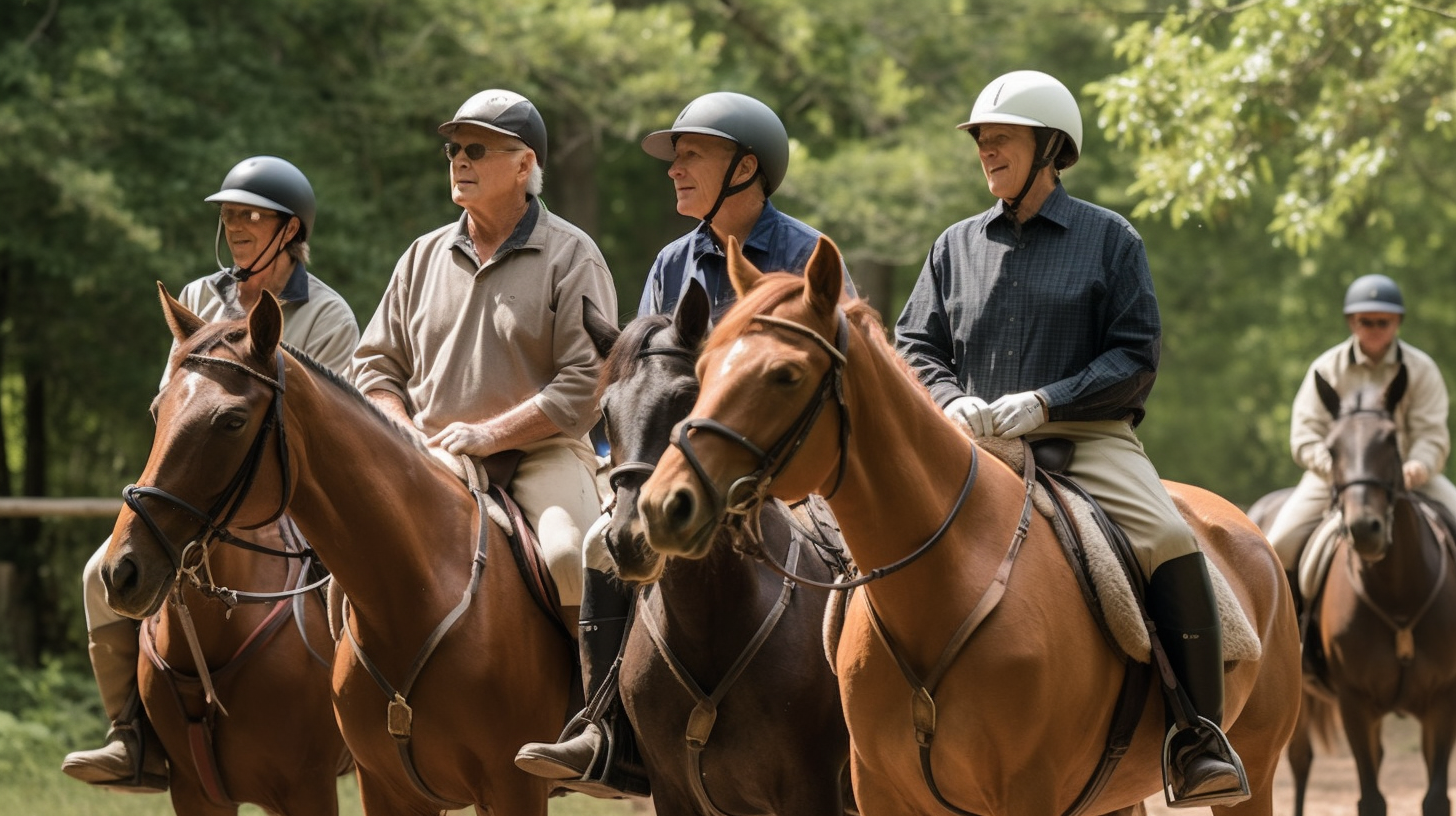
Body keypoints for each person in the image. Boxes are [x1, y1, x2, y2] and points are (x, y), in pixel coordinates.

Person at [893, 70, 1248, 808]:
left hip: (1085, 443)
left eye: (1001, 138)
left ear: (1049, 146)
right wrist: (951, 401)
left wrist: (1045, 402)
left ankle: (1198, 735)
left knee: (1166, 538)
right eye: (980, 139)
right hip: (968, 447)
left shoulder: (1110, 239)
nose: (985, 149)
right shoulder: (953, 246)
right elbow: (915, 345)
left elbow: (1134, 355)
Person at [514, 90, 854, 795]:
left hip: (792, 473)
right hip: (687, 476)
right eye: (676, 158)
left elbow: (838, 381)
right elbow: (643, 378)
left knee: (850, 551)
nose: (674, 169)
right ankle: (605, 728)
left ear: (746, 167)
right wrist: (628, 475)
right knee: (603, 544)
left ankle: (864, 726)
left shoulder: (805, 256)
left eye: (691, 154)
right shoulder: (674, 262)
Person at [62, 156, 359, 791]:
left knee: (355, 589)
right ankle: (131, 734)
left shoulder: (330, 316)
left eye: (251, 215)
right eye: (229, 215)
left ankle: (363, 719)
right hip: (205, 491)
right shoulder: (198, 298)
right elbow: (176, 408)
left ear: (291, 230)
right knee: (98, 575)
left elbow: (328, 433)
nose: (236, 226)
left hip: (291, 500)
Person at [351, 88, 619, 790]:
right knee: (335, 563)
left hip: (542, 455)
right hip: (428, 457)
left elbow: (582, 388)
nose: (459, 161)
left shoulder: (572, 255)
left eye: (477, 149)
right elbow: (374, 367)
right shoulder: (420, 257)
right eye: (454, 149)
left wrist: (488, 433)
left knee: (570, 553)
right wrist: (406, 437)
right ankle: (346, 721)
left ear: (525, 163)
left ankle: (599, 727)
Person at [1267, 273, 1456, 576]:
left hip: (1409, 474)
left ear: (1398, 322)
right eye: (1366, 321)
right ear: (1351, 322)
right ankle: (1291, 621)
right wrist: (1339, 471)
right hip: (1336, 477)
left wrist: (1419, 466)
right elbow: (1305, 436)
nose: (1375, 329)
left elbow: (1431, 433)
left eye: (1384, 322)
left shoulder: (1422, 370)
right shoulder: (1326, 369)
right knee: (1277, 545)